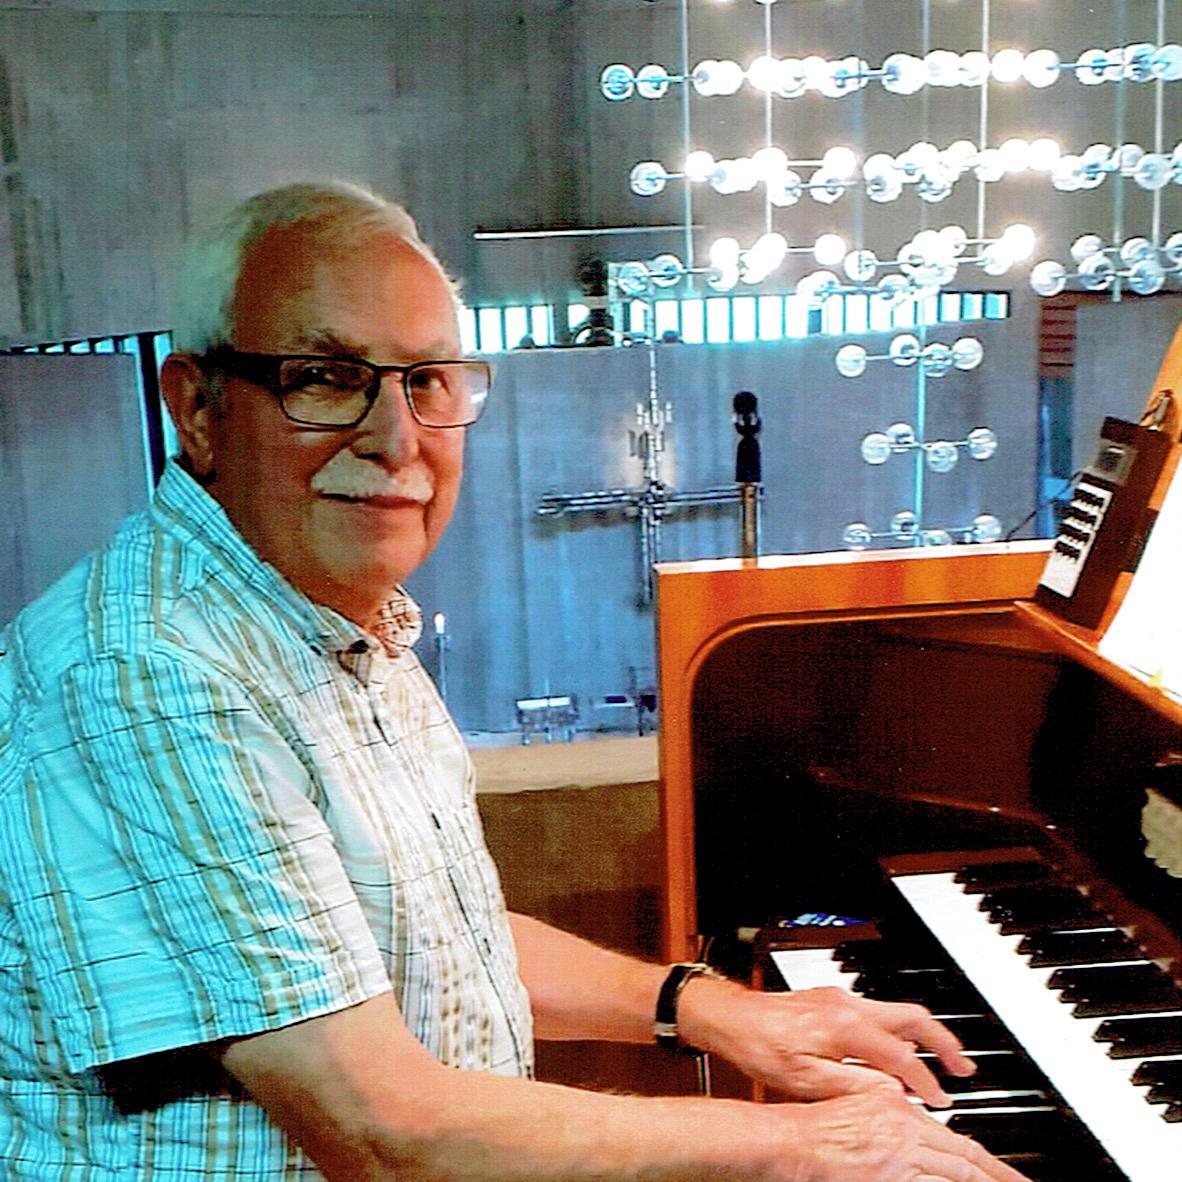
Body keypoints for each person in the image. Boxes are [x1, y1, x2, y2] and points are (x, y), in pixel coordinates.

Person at [0, 180, 1029, 1182]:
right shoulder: (151, 671)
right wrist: (807, 1147)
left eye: (429, 380)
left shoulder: (334, 618)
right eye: (324, 376)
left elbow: (436, 949)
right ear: (199, 407)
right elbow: (385, 1134)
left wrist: (713, 1008)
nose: (397, 436)